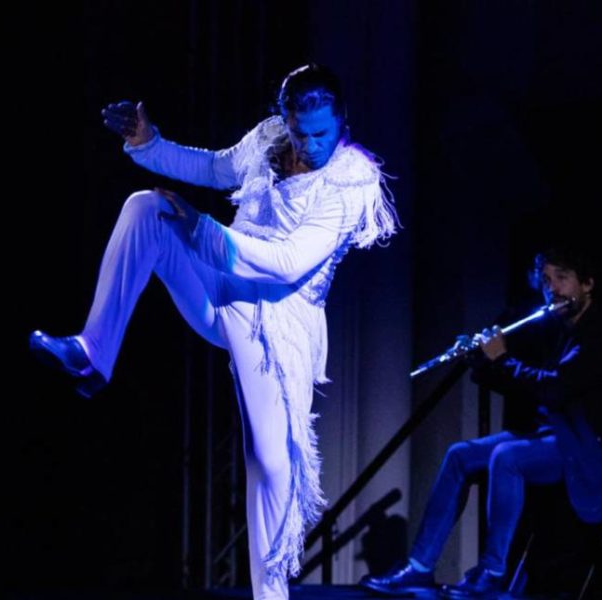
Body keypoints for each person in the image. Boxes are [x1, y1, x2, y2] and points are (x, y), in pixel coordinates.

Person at [29, 64, 398, 599]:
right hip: (219, 286)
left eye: (323, 132)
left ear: (343, 120)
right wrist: (148, 144)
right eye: (301, 132)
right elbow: (216, 168)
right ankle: (92, 351)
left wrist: (201, 231)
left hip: (277, 323)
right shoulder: (271, 138)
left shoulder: (351, 178)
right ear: (285, 120)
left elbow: (287, 263)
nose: (311, 144)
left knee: (271, 464)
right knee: (146, 210)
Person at [360, 247, 602, 599]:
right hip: (554, 437)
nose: (553, 290)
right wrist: (482, 359)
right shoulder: (556, 326)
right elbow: (524, 378)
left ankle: (492, 574)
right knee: (460, 454)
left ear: (588, 284)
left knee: (507, 457)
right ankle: (419, 568)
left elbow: (553, 388)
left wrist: (501, 359)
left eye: (562, 279)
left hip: (589, 453)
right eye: (547, 280)